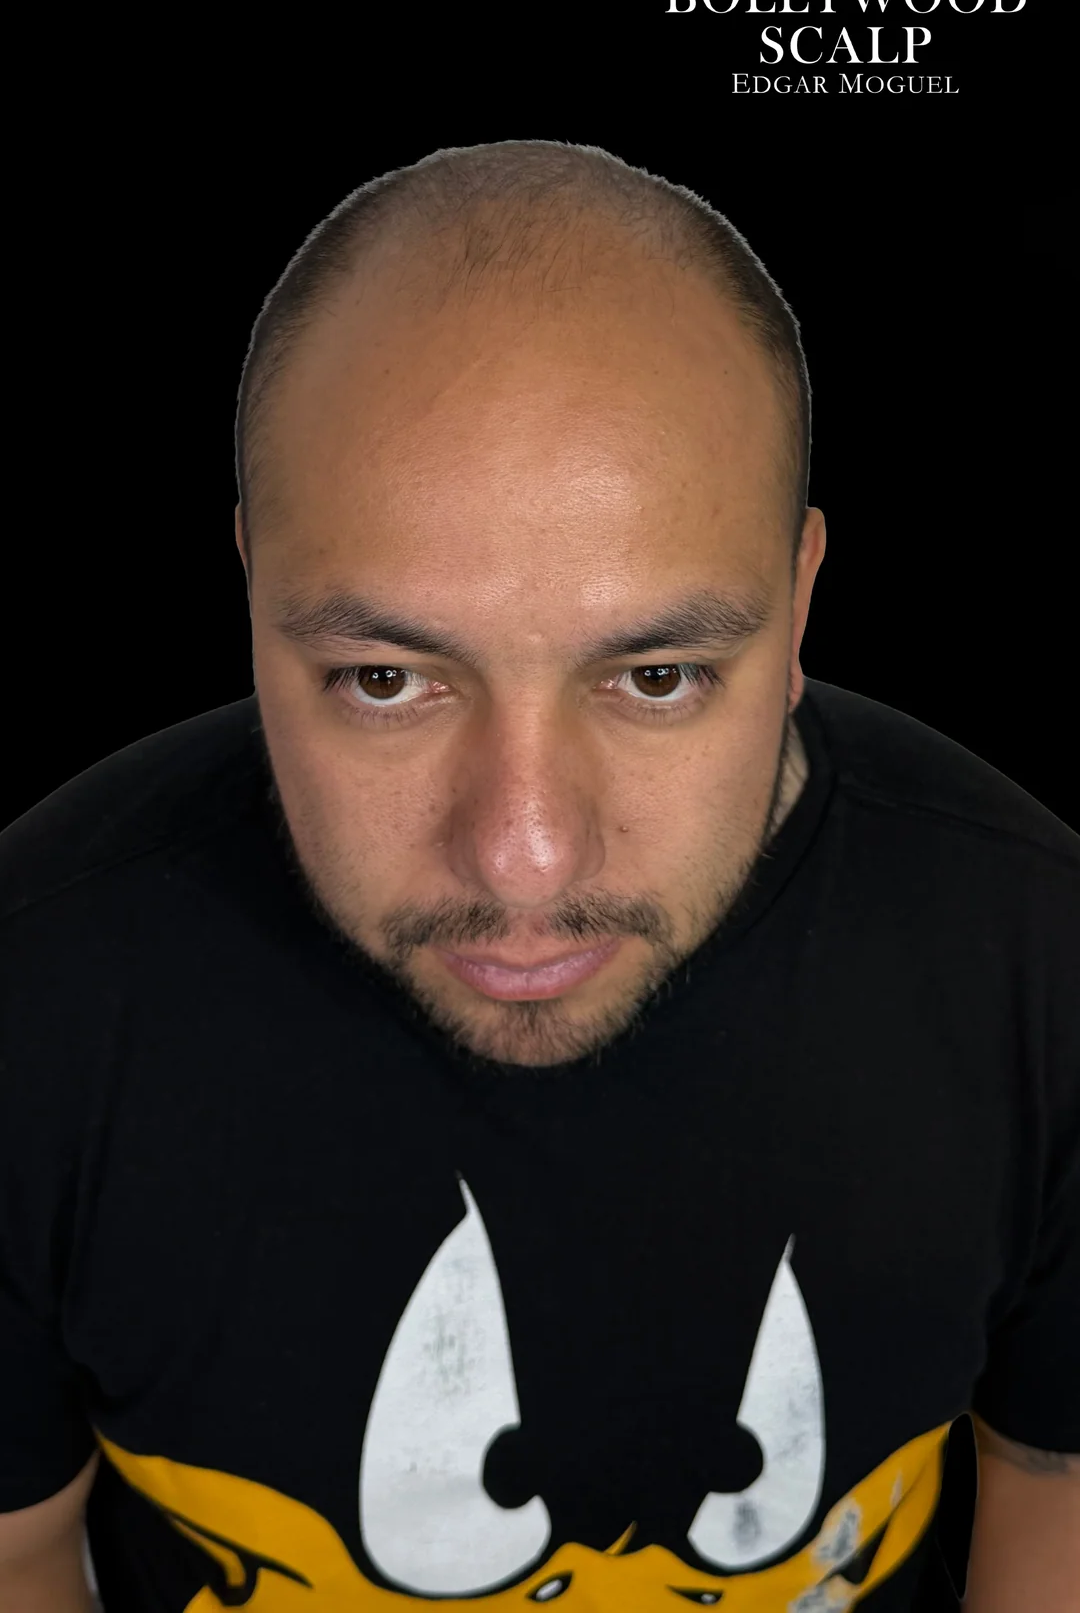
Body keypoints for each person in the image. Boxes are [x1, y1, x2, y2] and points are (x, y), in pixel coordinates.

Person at [0, 141, 1076, 1611]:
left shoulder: (1039, 960)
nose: (524, 853)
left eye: (657, 676)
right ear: (250, 592)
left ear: (802, 603)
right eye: (387, 678)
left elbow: (1054, 1492)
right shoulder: (33, 996)